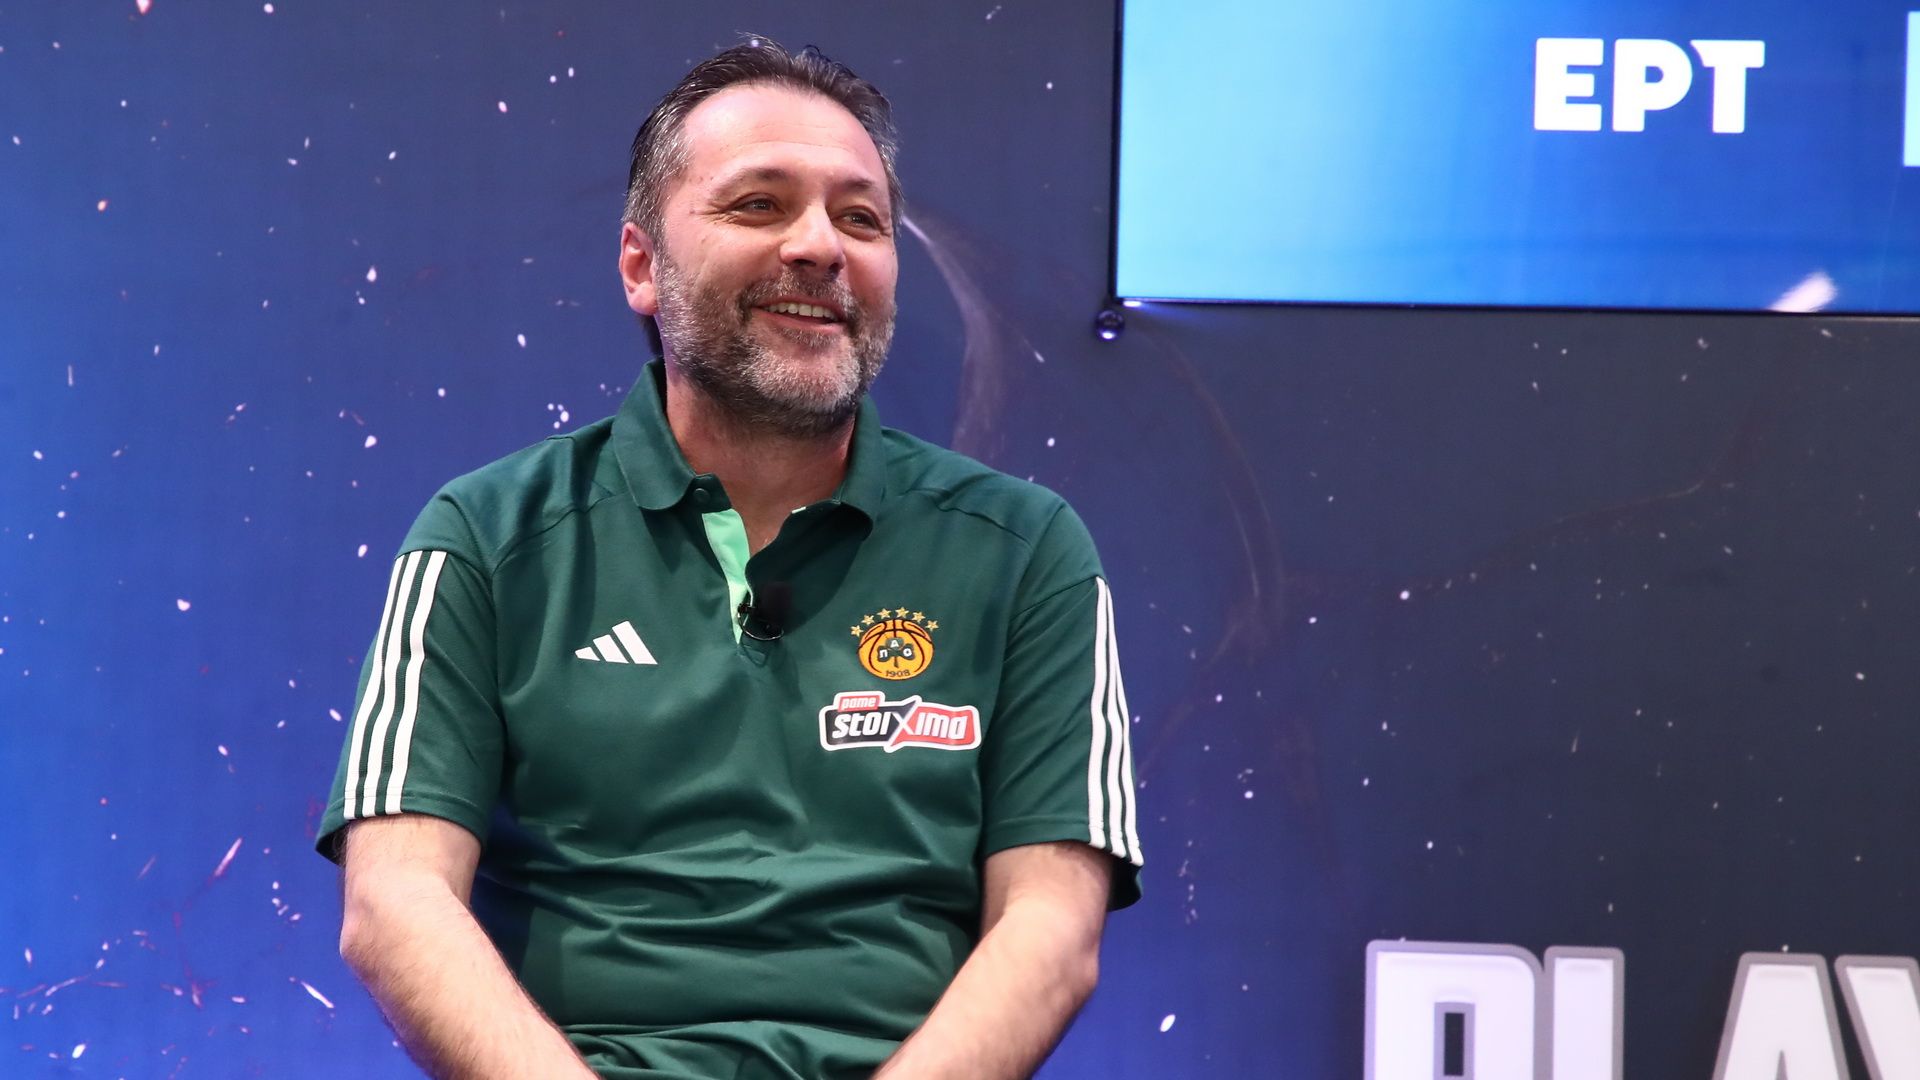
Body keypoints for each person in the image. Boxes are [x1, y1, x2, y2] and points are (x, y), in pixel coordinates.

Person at [316, 38, 1142, 1080]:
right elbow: (394, 901)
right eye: (759, 204)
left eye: (861, 219)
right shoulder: (485, 538)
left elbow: (1054, 925)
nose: (821, 246)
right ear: (640, 267)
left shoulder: (1024, 551)